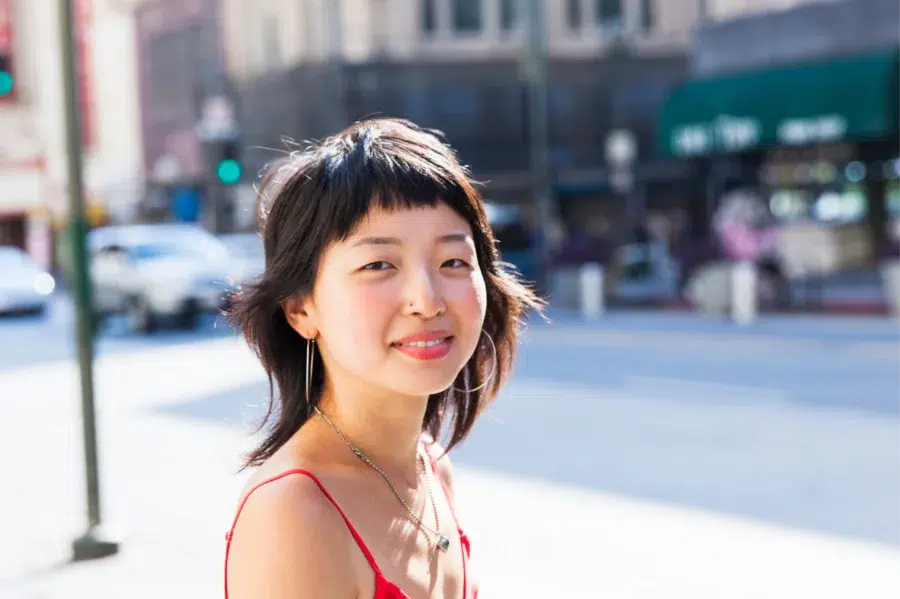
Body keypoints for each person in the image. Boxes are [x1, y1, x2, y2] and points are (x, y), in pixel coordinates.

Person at [224, 118, 544, 599]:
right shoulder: (295, 511)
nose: (427, 300)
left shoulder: (430, 465)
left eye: (453, 261)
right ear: (300, 308)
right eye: (379, 265)